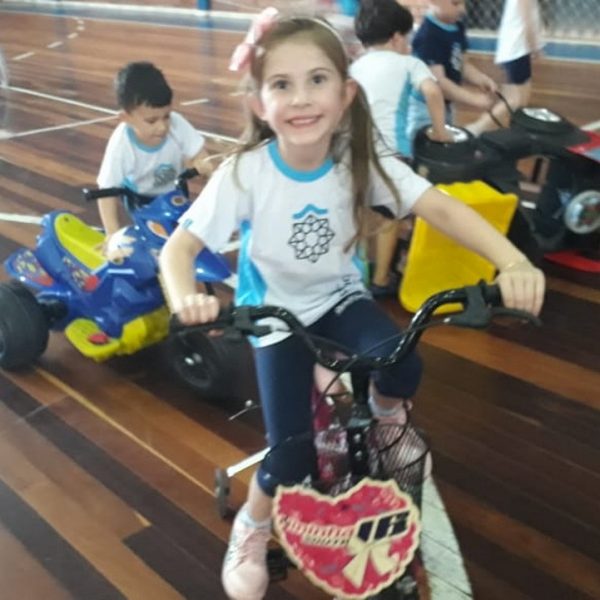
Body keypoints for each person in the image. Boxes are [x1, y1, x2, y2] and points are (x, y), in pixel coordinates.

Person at [159, 10, 545, 600]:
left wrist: (512, 261)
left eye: (317, 80)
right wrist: (185, 297)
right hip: (276, 316)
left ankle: (387, 417)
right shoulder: (246, 173)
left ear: (346, 94)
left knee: (401, 361)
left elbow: (439, 206)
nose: (301, 98)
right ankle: (252, 525)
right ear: (259, 103)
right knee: (290, 456)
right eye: (282, 84)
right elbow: (178, 250)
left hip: (338, 299)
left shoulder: (359, 159)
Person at [351, 0, 451, 295]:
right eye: (406, 37)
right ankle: (381, 279)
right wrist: (440, 131)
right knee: (389, 216)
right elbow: (432, 90)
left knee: (361, 211)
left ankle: (359, 272)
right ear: (396, 37)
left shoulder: (355, 66)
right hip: (390, 154)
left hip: (353, 149)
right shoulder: (409, 63)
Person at [96, 61, 212, 245]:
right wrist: (112, 233)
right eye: (151, 121)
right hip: (141, 199)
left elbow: (202, 156)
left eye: (166, 116)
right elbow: (106, 191)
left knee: (181, 237)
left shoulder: (177, 124)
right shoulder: (121, 144)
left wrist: (205, 167)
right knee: (153, 241)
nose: (162, 127)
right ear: (125, 118)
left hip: (175, 192)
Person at [407, 0, 498, 144]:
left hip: (447, 105)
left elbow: (461, 63)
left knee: (445, 144)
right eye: (456, 3)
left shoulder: (457, 26)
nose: (463, 10)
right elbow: (439, 83)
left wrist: (481, 79)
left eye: (463, 3)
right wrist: (474, 99)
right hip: (425, 108)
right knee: (425, 147)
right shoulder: (428, 36)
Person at [466, 0, 544, 135]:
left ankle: (515, 134)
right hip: (516, 51)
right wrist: (534, 47)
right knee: (513, 100)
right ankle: (476, 128)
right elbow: (527, 21)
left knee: (522, 99)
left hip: (517, 50)